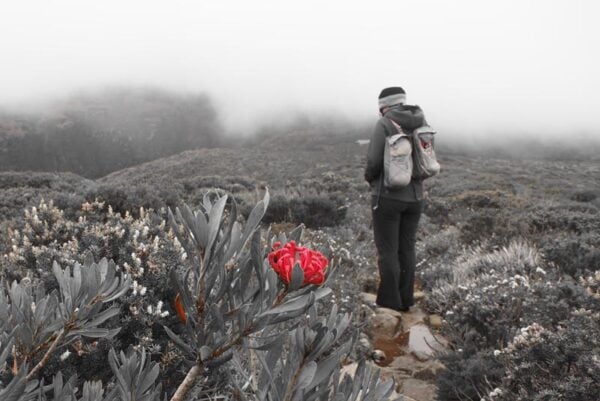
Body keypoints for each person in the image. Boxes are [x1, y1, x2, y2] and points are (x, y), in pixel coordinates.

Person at [364, 86, 427, 312]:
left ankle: (390, 301)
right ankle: (406, 299)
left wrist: (370, 180)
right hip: (416, 197)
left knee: (388, 250)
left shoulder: (384, 124)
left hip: (388, 196)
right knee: (407, 248)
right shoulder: (420, 120)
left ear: (384, 105)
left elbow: (373, 161)